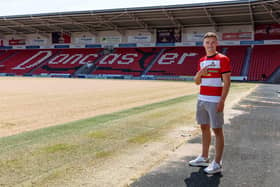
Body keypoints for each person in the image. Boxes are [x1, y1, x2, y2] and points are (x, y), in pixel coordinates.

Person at [188, 32, 231, 174]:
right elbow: (196, 82)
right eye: (207, 42)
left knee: (217, 130)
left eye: (213, 42)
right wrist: (200, 73)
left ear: (216, 43)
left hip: (215, 100)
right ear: (203, 44)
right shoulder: (201, 60)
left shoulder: (223, 59)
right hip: (202, 99)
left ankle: (217, 163)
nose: (210, 45)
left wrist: (222, 100)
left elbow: (227, 82)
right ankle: (204, 157)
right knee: (204, 128)